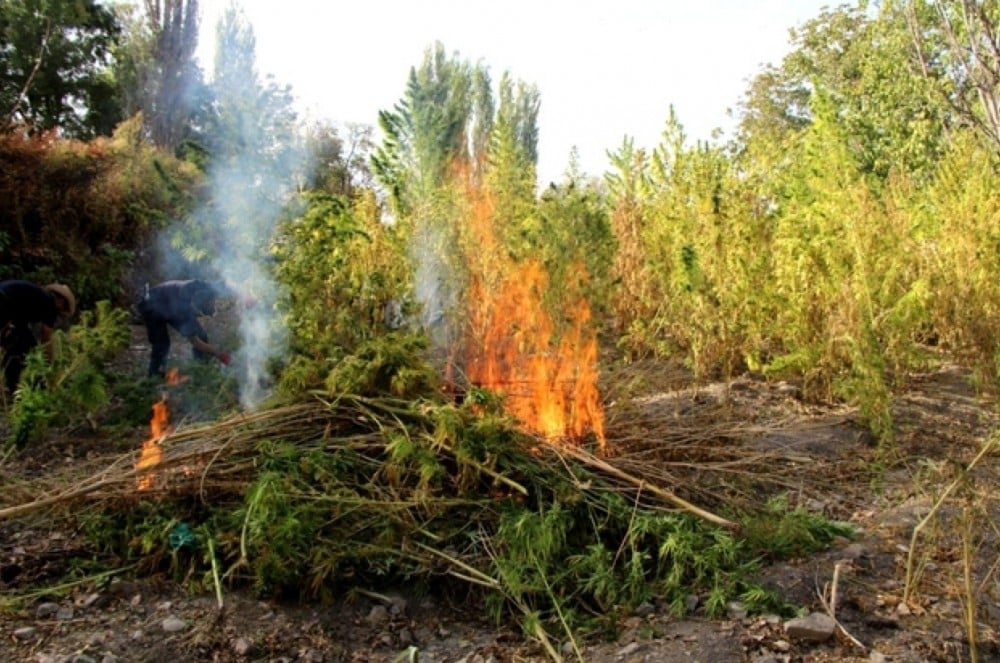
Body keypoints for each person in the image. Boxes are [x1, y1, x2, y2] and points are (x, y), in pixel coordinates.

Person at [137, 279, 232, 378]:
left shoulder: (201, 286)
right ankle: (154, 375)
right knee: (162, 344)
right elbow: (196, 342)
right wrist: (219, 354)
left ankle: (201, 367)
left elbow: (223, 283)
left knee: (201, 335)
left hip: (169, 303)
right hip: (151, 306)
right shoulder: (183, 310)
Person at [0, 280, 77, 395]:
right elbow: (46, 338)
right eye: (63, 308)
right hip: (3, 304)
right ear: (60, 301)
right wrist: (50, 365)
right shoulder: (50, 304)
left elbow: (20, 321)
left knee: (18, 344)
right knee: (26, 350)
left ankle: (10, 387)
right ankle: (16, 389)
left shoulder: (37, 296)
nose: (61, 312)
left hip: (6, 305)